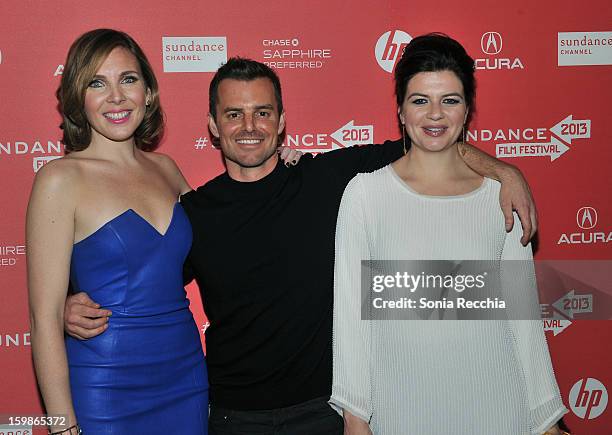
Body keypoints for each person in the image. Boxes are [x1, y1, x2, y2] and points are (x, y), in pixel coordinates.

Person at [64, 57, 539, 434]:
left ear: (282, 120)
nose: (249, 126)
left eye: (262, 112)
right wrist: (70, 298)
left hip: (325, 413)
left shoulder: (325, 179)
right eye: (234, 114)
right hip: (232, 416)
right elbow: (143, 274)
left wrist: (504, 171)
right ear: (212, 125)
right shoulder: (193, 213)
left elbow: (427, 140)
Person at [330, 33, 568, 434]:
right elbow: (353, 320)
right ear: (401, 112)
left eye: (450, 100)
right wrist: (355, 416)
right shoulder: (365, 195)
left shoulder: (501, 196)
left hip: (500, 410)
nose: (435, 114)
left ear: (468, 110)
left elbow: (523, 323)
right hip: (401, 411)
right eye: (420, 100)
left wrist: (546, 419)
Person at [27, 29, 210, 434]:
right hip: (105, 383)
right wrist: (62, 426)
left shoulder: (167, 169)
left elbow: (224, 239)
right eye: (97, 83)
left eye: (128, 79)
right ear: (79, 98)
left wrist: (279, 169)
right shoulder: (60, 179)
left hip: (185, 375)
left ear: (147, 91)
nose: (116, 96)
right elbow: (43, 319)